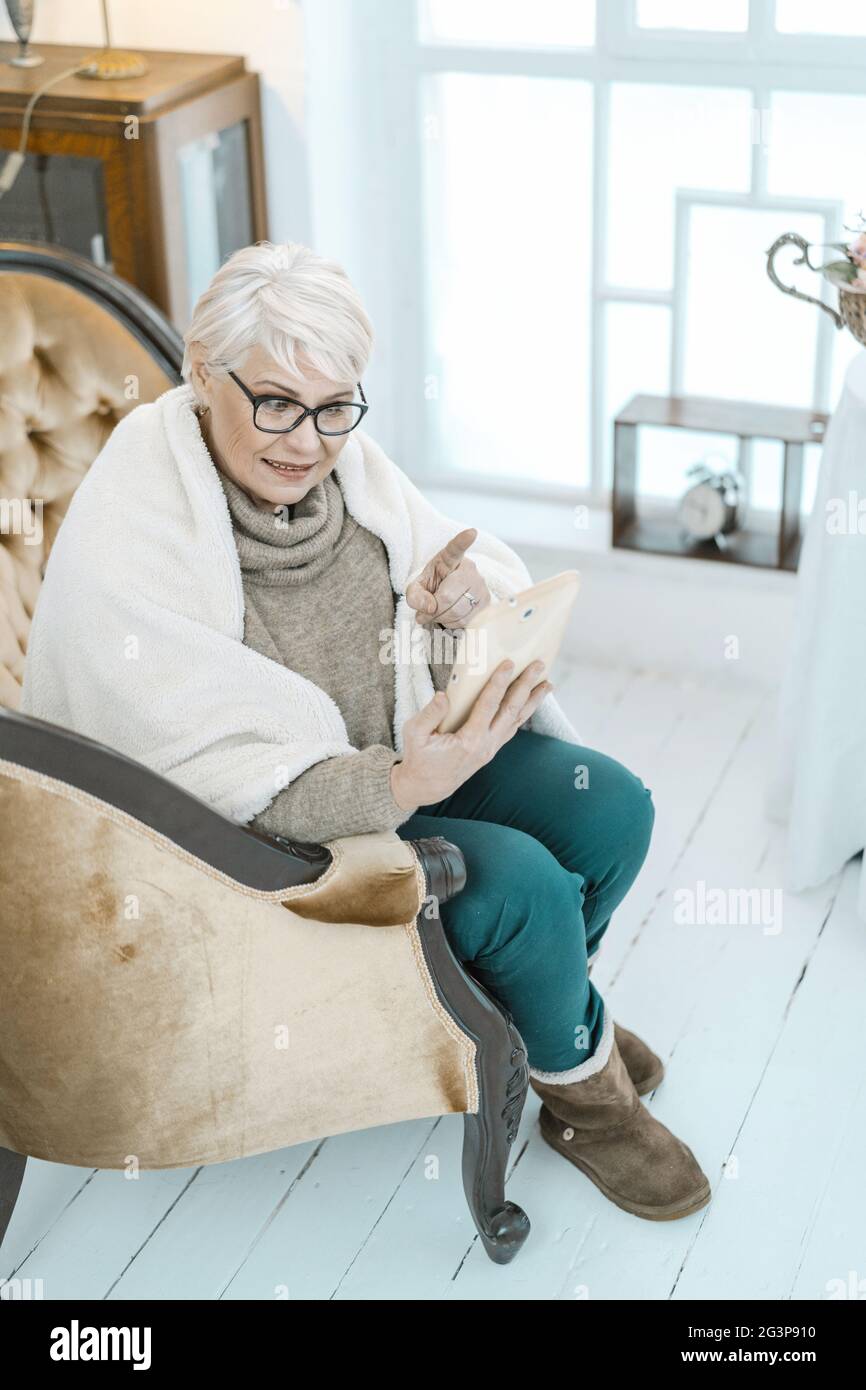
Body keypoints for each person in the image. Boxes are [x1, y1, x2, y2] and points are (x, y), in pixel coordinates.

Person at [22, 240, 710, 1220]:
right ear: (199, 375)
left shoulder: (351, 478)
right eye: (273, 404)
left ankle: (545, 1025)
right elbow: (206, 781)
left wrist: (439, 622)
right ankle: (584, 1092)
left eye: (334, 407)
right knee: (517, 887)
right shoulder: (140, 532)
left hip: (402, 766)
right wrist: (395, 787)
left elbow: (394, 671)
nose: (305, 441)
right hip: (271, 844)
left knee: (613, 812)